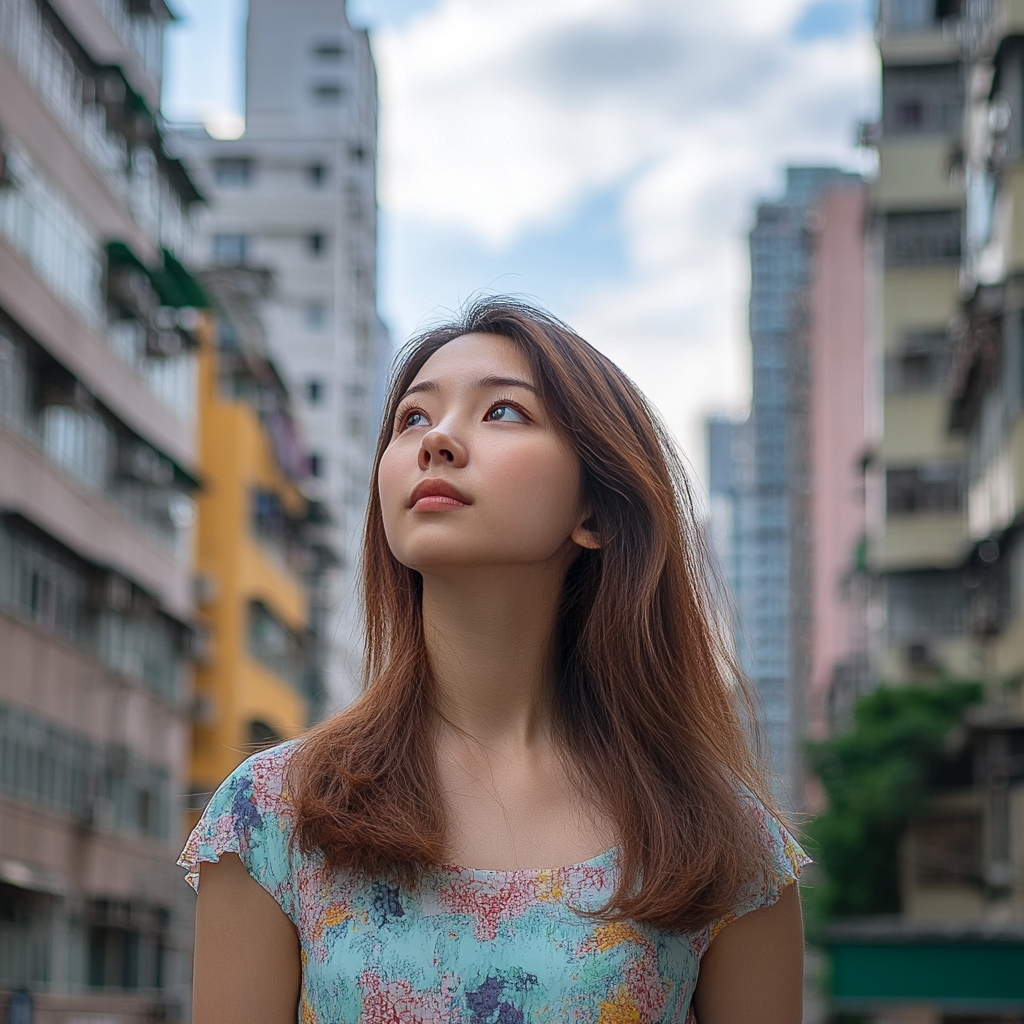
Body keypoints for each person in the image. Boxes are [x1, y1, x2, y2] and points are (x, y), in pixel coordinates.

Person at [180, 297, 808, 1024]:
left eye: (503, 412)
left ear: (595, 513)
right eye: (414, 417)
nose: (437, 440)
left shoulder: (723, 845)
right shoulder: (271, 818)